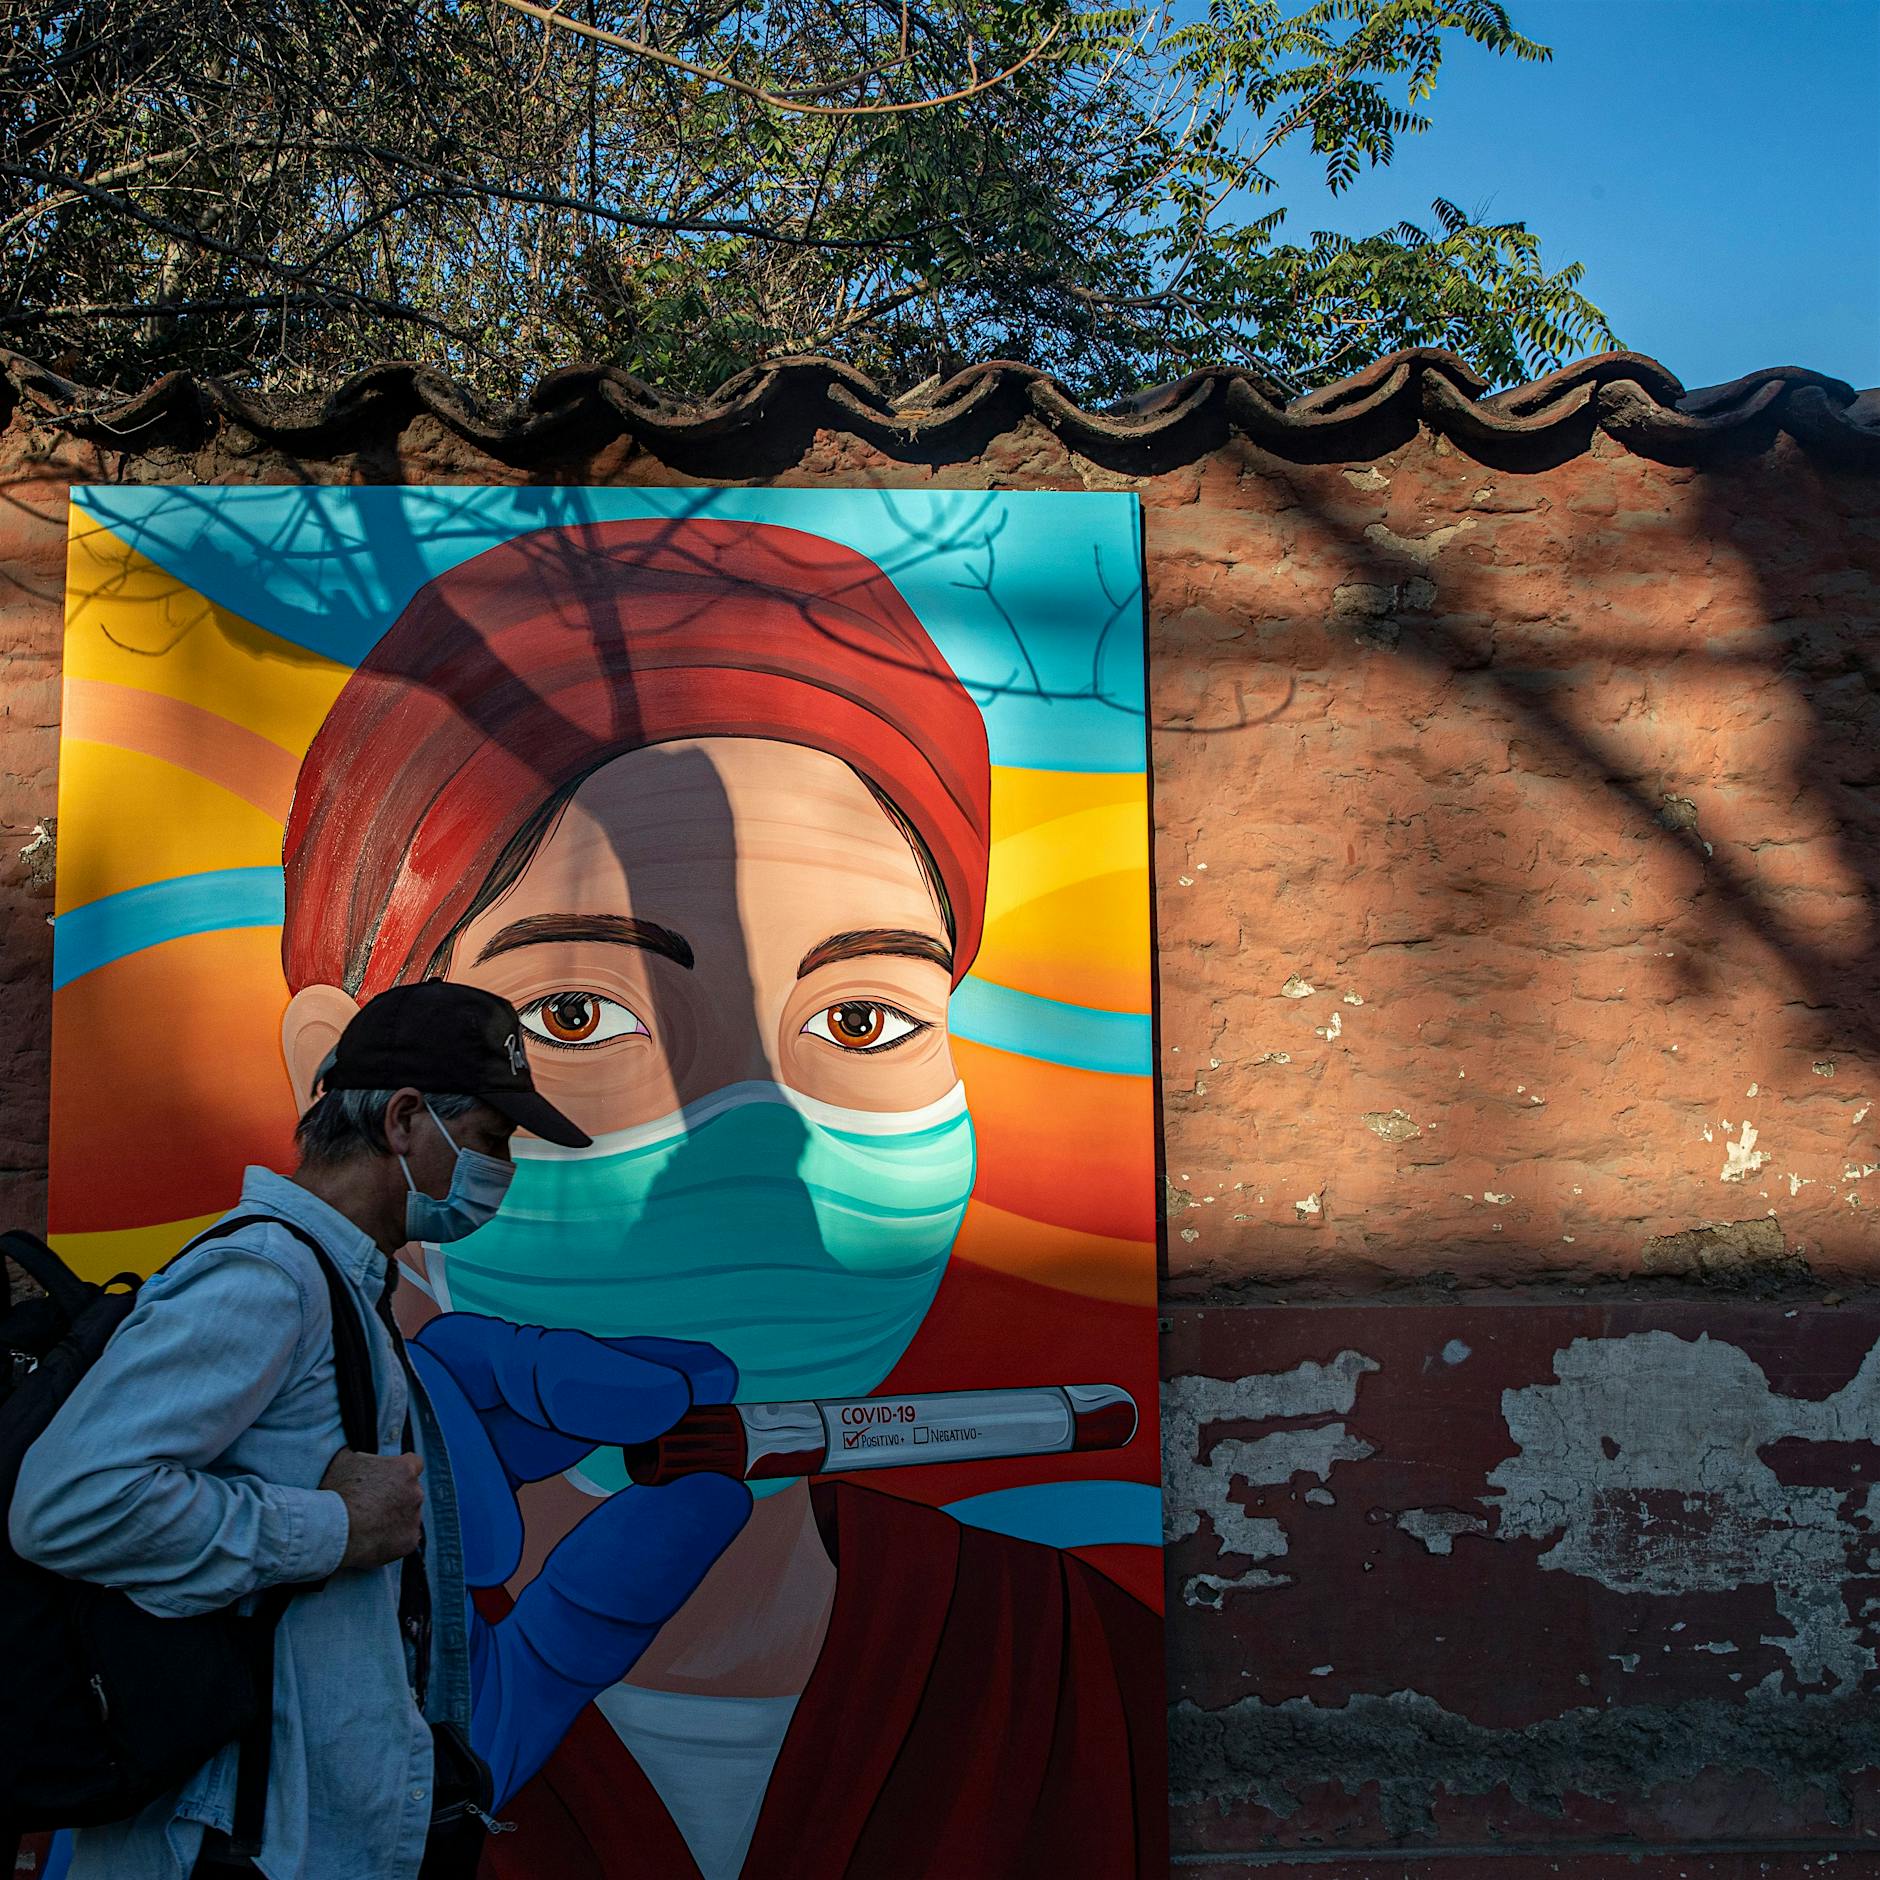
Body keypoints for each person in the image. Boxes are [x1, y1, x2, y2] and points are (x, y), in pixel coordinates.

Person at [275, 518, 1167, 1879]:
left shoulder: (1066, 1673)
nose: (764, 1151)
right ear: (346, 1086)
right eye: (578, 1011)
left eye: (865, 1018)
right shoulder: (296, 1641)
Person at [9, 982, 746, 1880]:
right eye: (489, 1141)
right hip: (230, 1850)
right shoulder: (267, 1278)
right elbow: (68, 1502)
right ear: (404, 1122)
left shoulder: (343, 1288)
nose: (500, 1173)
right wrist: (332, 1527)